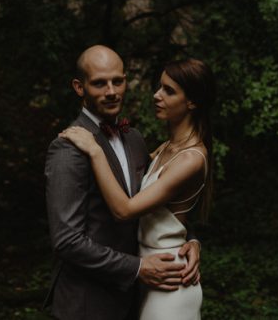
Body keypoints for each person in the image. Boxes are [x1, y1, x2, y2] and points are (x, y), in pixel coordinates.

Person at [44, 45, 201, 320]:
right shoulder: (68, 148)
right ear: (79, 88)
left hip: (135, 299)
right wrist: (138, 268)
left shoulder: (134, 139)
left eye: (118, 81)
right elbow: (67, 241)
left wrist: (190, 240)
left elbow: (161, 202)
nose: (112, 91)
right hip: (87, 305)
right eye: (99, 83)